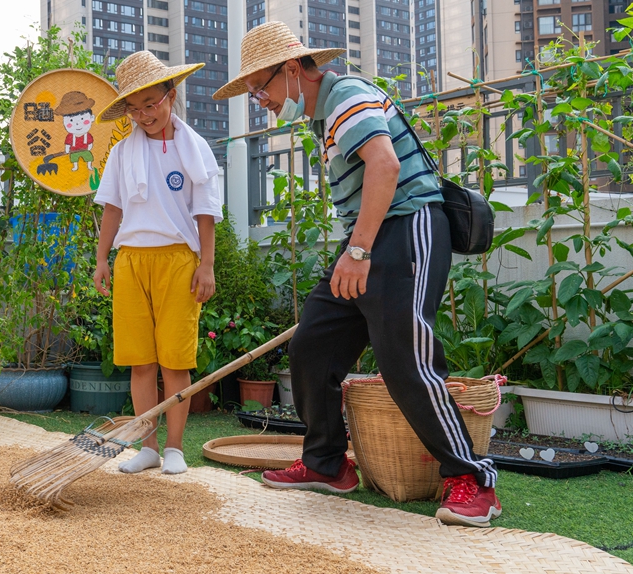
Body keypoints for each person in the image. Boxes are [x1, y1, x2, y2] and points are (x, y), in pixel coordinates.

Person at [213, 21, 501, 528]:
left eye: (260, 87)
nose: (258, 98)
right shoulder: (320, 115)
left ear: (291, 68)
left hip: (408, 226)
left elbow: (385, 167)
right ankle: (327, 463)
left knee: (404, 358)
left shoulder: (346, 94)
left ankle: (473, 481)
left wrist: (360, 250)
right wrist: (358, 247)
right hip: (369, 240)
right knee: (313, 345)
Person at [93, 51, 223, 475]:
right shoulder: (122, 153)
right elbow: (111, 209)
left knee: (174, 359)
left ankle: (175, 448)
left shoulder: (195, 147)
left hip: (178, 261)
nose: (144, 115)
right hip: (131, 260)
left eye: (151, 104)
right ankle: (146, 446)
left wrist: (207, 264)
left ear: (171, 96)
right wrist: (102, 259)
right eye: (134, 109)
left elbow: (205, 211)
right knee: (140, 360)